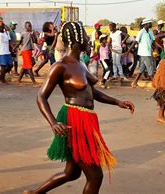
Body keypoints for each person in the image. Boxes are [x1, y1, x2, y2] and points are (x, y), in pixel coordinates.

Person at [26, 21, 135, 194]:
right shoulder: (60, 66)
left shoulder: (81, 64)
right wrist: (53, 123)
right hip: (74, 121)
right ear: (77, 39)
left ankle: (34, 193)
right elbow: (41, 96)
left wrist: (117, 102)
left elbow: (92, 93)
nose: (88, 39)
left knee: (71, 173)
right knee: (95, 176)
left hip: (87, 120)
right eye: (85, 36)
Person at [131, 19, 155, 88]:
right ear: (146, 24)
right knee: (150, 70)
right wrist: (128, 51)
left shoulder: (150, 31)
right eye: (150, 23)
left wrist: (156, 48)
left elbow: (153, 40)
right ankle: (157, 85)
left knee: (142, 69)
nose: (151, 24)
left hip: (148, 52)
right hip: (144, 53)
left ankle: (134, 82)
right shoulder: (141, 32)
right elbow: (136, 41)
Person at [16, 21, 39, 86]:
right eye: (28, 26)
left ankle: (18, 80)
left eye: (30, 26)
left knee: (25, 66)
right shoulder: (23, 34)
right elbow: (20, 42)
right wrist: (15, 47)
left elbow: (35, 41)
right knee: (29, 67)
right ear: (25, 27)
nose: (30, 27)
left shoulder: (32, 33)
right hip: (25, 51)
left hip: (29, 51)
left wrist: (32, 34)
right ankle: (34, 82)